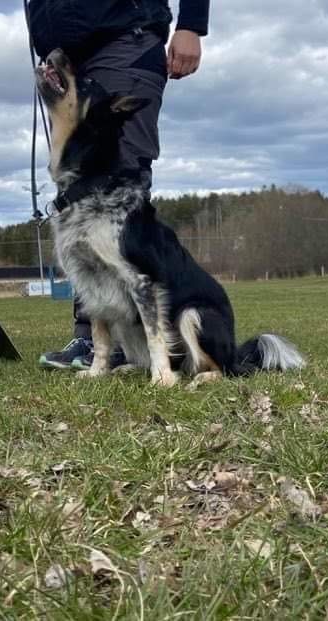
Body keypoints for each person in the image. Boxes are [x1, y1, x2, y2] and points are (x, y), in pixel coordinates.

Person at [29, 0, 211, 370]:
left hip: (125, 35)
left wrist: (192, 23)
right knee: (76, 193)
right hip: (66, 47)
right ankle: (97, 340)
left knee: (122, 192)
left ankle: (147, 347)